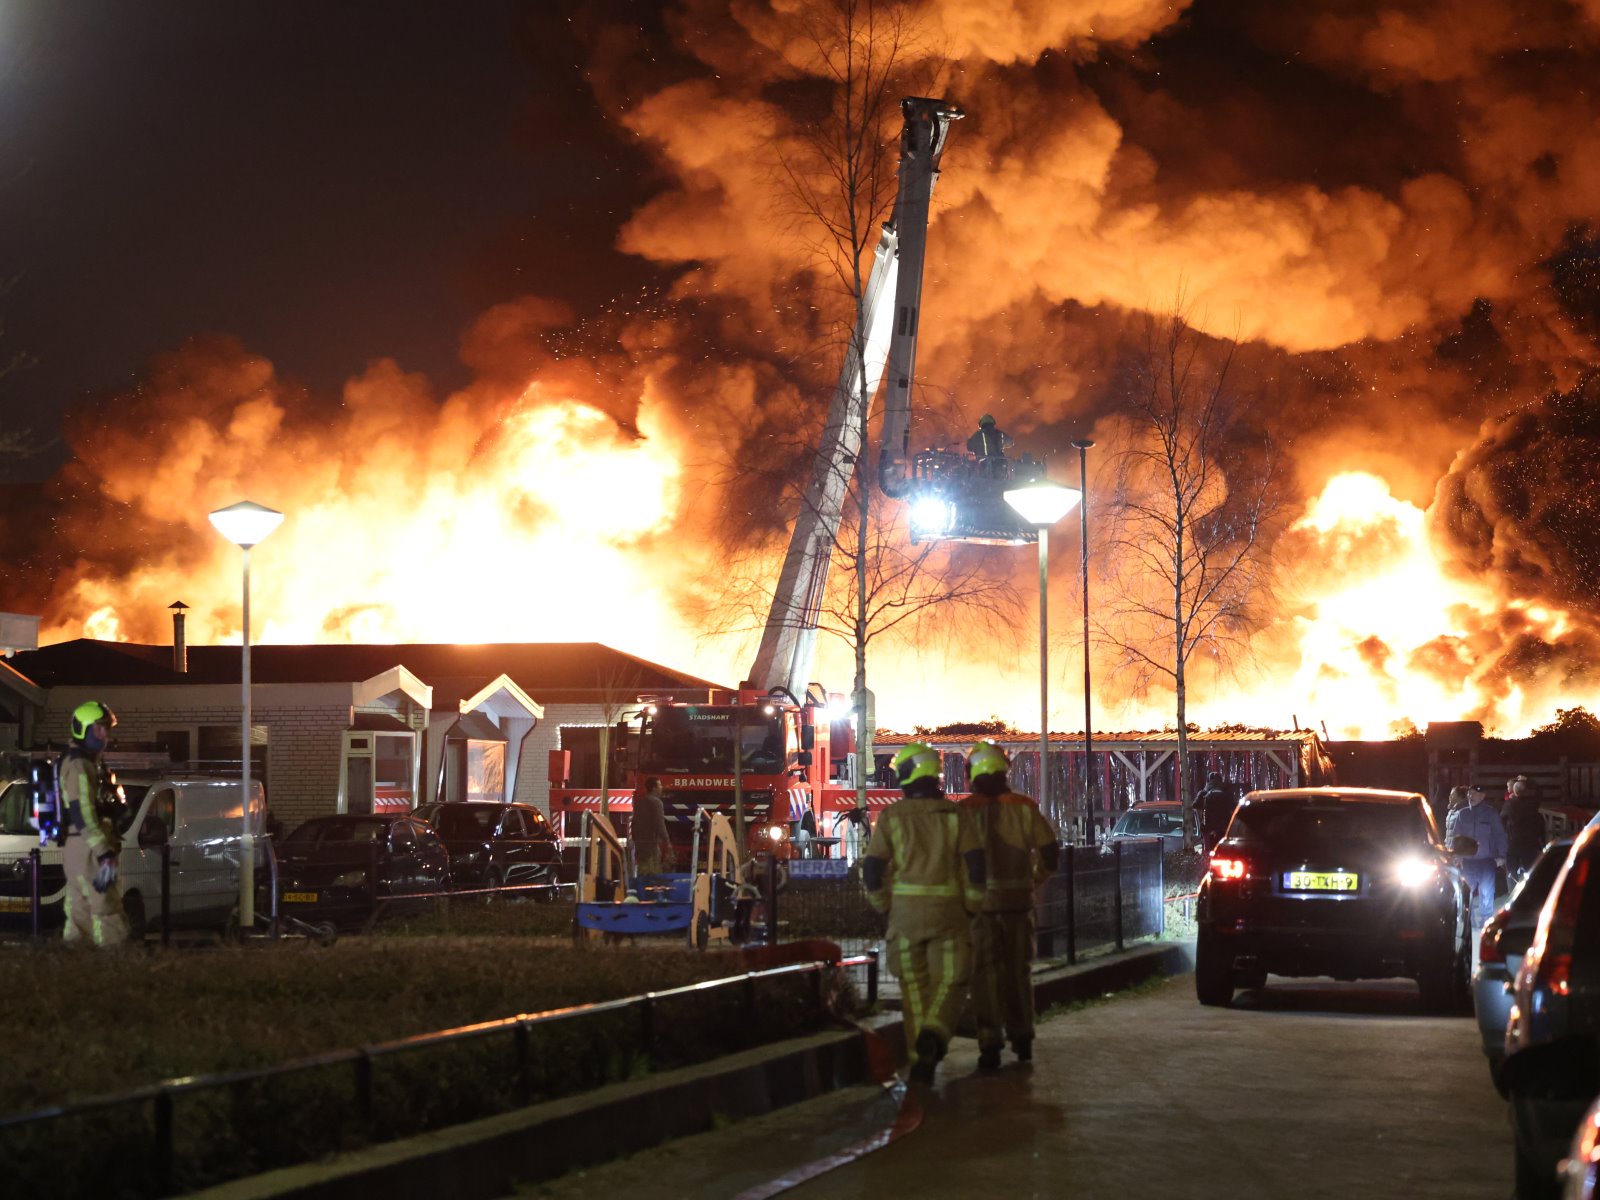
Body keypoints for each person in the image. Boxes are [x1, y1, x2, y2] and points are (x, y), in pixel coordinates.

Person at [863, 741, 985, 1087]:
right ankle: (934, 1034)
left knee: (914, 992)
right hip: (949, 916)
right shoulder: (955, 816)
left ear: (909, 774)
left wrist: (884, 905)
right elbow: (977, 866)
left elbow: (872, 869)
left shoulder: (890, 817)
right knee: (951, 981)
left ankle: (921, 1063)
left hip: (903, 918)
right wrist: (972, 906)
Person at [962, 741, 1059, 1071]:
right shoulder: (1024, 807)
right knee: (1019, 973)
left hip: (980, 911)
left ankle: (990, 1044)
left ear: (972, 772)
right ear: (1005, 770)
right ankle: (1022, 1038)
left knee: (984, 977)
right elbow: (1050, 853)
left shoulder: (965, 811)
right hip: (1018, 907)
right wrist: (1032, 880)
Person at [60, 700, 129, 947]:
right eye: (98, 729)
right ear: (83, 730)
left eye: (106, 729)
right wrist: (104, 852)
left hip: (78, 847)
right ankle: (113, 970)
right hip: (89, 849)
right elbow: (83, 814)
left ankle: (75, 969)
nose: (104, 735)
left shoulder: (84, 762)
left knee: (79, 914)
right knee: (107, 909)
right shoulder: (80, 765)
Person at [1447, 784, 1508, 932]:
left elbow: (1500, 835)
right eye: (1469, 793)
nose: (1471, 796)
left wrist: (1502, 856)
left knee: (1487, 892)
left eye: (1474, 794)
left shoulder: (1491, 814)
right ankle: (1466, 922)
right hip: (1467, 861)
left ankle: (1486, 924)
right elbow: (1456, 837)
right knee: (1465, 892)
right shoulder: (1462, 814)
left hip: (1487, 860)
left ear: (1482, 796)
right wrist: (1456, 855)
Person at [1502, 776, 1545, 879]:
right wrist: (1528, 780)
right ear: (1526, 791)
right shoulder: (1533, 803)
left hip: (1514, 840)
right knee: (1531, 867)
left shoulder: (1510, 804)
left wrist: (1506, 834)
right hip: (1530, 841)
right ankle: (1531, 887)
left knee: (1512, 868)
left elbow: (1502, 819)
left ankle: (1513, 888)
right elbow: (1539, 792)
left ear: (1514, 791)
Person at [630, 777, 672, 874]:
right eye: (659, 785)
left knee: (642, 868)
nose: (662, 787)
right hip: (651, 843)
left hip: (639, 842)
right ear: (654, 788)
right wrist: (667, 840)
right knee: (653, 870)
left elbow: (634, 822)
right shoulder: (657, 803)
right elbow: (660, 823)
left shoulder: (640, 802)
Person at [1194, 771, 1236, 851]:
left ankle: (1207, 856)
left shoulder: (1203, 793)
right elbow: (1234, 808)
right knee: (1225, 850)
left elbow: (1195, 806)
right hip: (1224, 826)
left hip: (1208, 827)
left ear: (1208, 781)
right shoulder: (1227, 793)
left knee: (1207, 849)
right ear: (1221, 781)